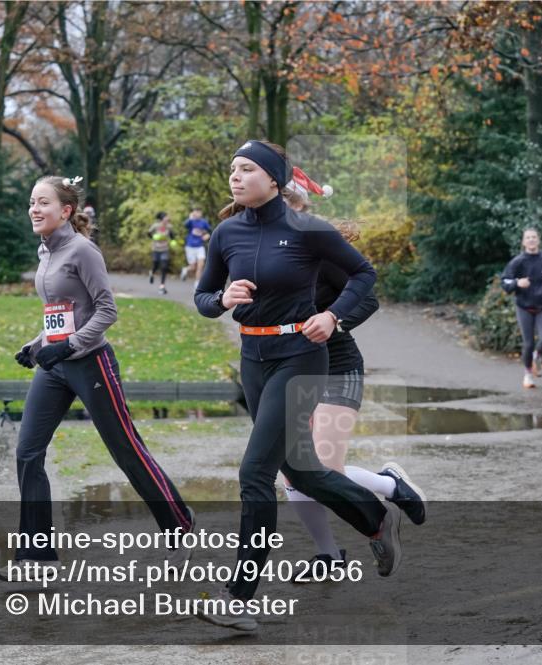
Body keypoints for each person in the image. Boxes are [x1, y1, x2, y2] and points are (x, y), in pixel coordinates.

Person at [194, 141, 403, 632]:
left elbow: (363, 275)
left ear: (273, 180)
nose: (236, 176)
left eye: (247, 169)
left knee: (255, 472)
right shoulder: (225, 233)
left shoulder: (307, 229)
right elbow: (202, 297)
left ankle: (238, 598)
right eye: (232, 169)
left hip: (302, 358)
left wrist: (333, 317)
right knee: (302, 471)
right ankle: (376, 519)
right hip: (253, 358)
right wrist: (222, 297)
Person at [0, 176, 193, 582]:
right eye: (31, 202)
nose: (34, 209)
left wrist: (68, 346)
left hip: (92, 364)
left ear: (66, 211)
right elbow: (62, 310)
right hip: (55, 367)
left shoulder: (82, 250)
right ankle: (37, 560)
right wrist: (36, 345)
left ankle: (180, 526)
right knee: (27, 453)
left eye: (43, 202)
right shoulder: (45, 250)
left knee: (125, 449)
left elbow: (106, 311)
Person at [282, 169, 426, 580]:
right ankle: (329, 557)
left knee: (323, 470)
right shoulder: (258, 246)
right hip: (288, 371)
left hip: (336, 368)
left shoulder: (320, 248)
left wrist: (333, 320)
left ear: (297, 205)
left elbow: (368, 298)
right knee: (293, 472)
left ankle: (389, 486)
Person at [500, 227, 542, 389]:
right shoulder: (518, 262)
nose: (531, 240)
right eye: (528, 237)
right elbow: (505, 282)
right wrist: (517, 283)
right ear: (523, 242)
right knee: (528, 344)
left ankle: (536, 357)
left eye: (534, 237)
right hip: (524, 307)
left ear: (538, 240)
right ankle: (528, 375)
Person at [182, 207, 211, 288]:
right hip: (190, 246)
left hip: (200, 247)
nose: (197, 214)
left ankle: (197, 283)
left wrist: (207, 235)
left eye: (199, 212)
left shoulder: (204, 222)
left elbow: (210, 230)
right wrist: (190, 218)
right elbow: (185, 225)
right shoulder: (191, 221)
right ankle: (185, 270)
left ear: (201, 213)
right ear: (193, 213)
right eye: (196, 212)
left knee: (200, 265)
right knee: (193, 267)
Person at [148, 212, 175, 294]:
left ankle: (162, 286)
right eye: (166, 217)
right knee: (155, 265)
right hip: (156, 249)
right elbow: (148, 233)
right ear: (162, 219)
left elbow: (172, 235)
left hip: (165, 249)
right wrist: (154, 237)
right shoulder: (155, 226)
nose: (167, 219)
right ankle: (152, 273)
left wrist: (173, 241)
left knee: (164, 267)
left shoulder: (169, 227)